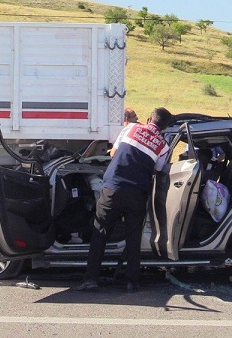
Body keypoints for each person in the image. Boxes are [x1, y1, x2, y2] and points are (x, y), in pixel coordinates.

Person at [74, 107, 173, 292]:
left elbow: (113, 153)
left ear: (149, 118)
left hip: (113, 188)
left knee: (100, 233)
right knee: (133, 237)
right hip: (137, 193)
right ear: (165, 128)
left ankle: (91, 279)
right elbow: (157, 171)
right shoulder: (164, 147)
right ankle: (132, 282)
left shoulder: (131, 129)